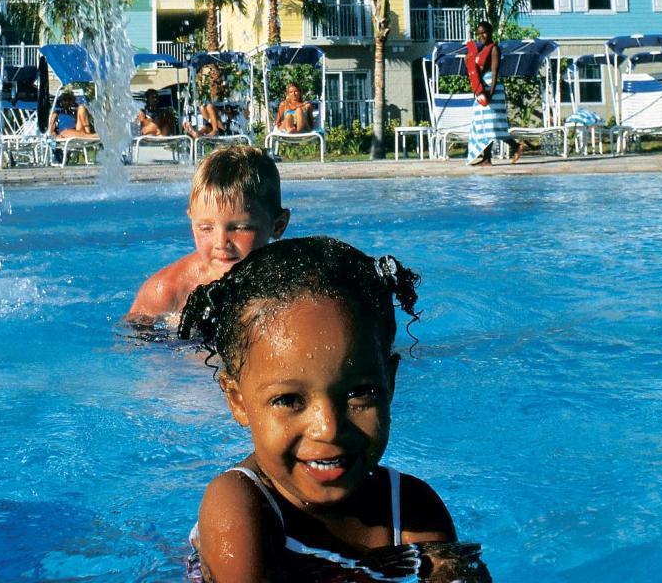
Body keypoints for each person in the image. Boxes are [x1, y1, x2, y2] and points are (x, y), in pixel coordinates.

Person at [178, 237, 465, 583]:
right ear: (238, 401)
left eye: (358, 392)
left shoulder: (415, 510)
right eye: (289, 400)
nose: (328, 428)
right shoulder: (237, 505)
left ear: (389, 381)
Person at [125, 145, 290, 325]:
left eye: (240, 228)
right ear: (192, 220)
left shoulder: (292, 285)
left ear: (278, 225)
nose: (221, 243)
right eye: (205, 228)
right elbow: (131, 345)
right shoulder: (166, 292)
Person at [465, 21, 524, 166]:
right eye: (479, 33)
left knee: (493, 125)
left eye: (484, 32)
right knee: (483, 124)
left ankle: (509, 149)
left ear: (490, 32)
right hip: (482, 89)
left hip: (493, 89)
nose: (481, 36)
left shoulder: (494, 49)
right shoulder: (479, 50)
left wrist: (490, 93)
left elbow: (494, 72)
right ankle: (489, 157)